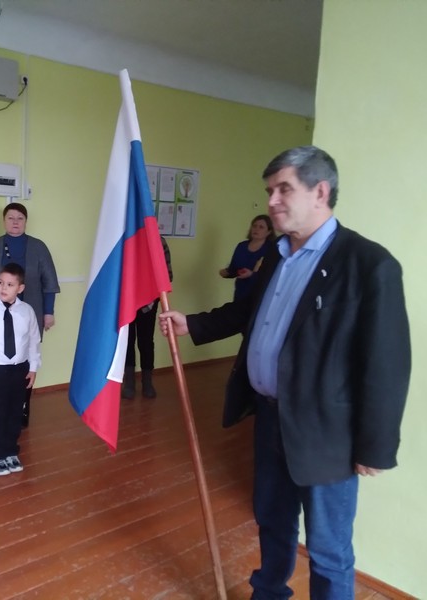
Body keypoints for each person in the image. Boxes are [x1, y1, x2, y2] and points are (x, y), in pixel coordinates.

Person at [159, 146, 411, 599]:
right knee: (272, 520)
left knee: (328, 549)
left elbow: (386, 364)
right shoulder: (276, 256)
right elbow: (249, 312)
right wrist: (192, 324)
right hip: (270, 417)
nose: (271, 201)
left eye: (283, 189)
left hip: (327, 434)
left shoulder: (368, 265)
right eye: (269, 190)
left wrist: (374, 446)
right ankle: (269, 593)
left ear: (320, 192)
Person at [0, 202, 58, 427]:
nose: (15, 222)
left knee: (26, 360)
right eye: (11, 218)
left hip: (30, 313)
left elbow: (49, 283)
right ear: (4, 221)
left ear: (26, 221)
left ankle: (22, 408)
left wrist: (48, 312)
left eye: (20, 218)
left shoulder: (39, 247)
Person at [0, 263, 41, 477]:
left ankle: (11, 450)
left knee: (15, 411)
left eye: (10, 284)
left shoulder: (27, 311)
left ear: (20, 288)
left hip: (19, 368)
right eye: (1, 282)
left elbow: (34, 341)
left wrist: (33, 367)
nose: (3, 287)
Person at [122, 235, 173, 399]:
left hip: (149, 302)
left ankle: (147, 382)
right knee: (127, 341)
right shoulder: (126, 238)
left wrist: (153, 294)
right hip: (127, 300)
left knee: (146, 341)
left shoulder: (158, 241)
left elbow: (167, 274)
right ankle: (129, 382)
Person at [218, 214, 275, 302]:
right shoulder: (242, 246)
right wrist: (226, 272)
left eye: (261, 227)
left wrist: (252, 274)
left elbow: (271, 276)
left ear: (269, 232)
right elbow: (233, 269)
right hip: (240, 293)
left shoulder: (271, 249)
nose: (256, 229)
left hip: (259, 296)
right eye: (254, 226)